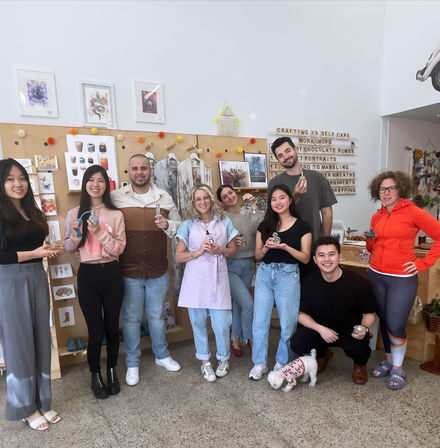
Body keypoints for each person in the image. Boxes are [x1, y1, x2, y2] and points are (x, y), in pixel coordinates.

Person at [0, 158, 62, 431]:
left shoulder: (32, 210)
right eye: (10, 179)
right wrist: (35, 254)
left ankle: (41, 400)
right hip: (10, 281)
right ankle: (24, 407)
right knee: (18, 343)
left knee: (40, 338)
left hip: (37, 276)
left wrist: (47, 249)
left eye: (22, 178)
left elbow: (36, 245)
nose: (18, 184)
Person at [364, 170, 440, 390]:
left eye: (391, 188)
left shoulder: (413, 212)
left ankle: (398, 368)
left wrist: (422, 263)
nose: (386, 193)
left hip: (402, 277)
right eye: (382, 189)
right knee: (385, 320)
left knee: (396, 322)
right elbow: (373, 247)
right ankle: (389, 361)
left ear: (400, 189)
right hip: (376, 273)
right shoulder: (377, 215)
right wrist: (370, 241)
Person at [111, 154, 182, 387]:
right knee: (130, 318)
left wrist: (167, 225)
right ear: (128, 171)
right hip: (128, 270)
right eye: (134, 168)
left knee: (156, 316)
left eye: (143, 168)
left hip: (157, 269)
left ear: (150, 170)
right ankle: (132, 362)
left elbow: (181, 226)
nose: (139, 172)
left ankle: (162, 355)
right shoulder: (116, 197)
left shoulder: (163, 196)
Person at [64, 165, 126, 399]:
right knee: (95, 329)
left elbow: (119, 248)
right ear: (84, 183)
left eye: (101, 180)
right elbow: (68, 248)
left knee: (111, 327)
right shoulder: (73, 213)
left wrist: (100, 232)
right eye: (91, 180)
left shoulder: (116, 214)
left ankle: (111, 371)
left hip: (111, 273)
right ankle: (95, 374)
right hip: (88, 275)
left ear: (106, 185)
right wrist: (77, 236)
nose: (96, 184)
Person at [290, 237, 377, 385]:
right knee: (298, 342)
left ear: (340, 257)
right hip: (321, 328)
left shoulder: (358, 282)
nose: (327, 259)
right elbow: (300, 314)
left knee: (359, 346)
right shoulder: (308, 282)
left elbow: (369, 314)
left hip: (349, 330)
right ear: (315, 259)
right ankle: (323, 355)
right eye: (321, 255)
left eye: (331, 254)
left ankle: (359, 365)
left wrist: (363, 328)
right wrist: (320, 328)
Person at [175, 184, 238, 382]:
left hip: (218, 279)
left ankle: (223, 358)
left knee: (221, 324)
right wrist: (198, 251)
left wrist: (221, 250)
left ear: (211, 200)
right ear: (193, 203)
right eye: (198, 199)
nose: (202, 202)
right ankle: (205, 362)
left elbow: (233, 250)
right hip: (196, 281)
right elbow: (178, 256)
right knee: (198, 323)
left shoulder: (224, 222)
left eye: (205, 198)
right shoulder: (187, 225)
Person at [249, 184, 311, 381]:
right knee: (259, 321)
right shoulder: (264, 225)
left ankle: (282, 362)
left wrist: (285, 247)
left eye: (282, 197)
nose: (278, 202)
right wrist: (267, 249)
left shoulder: (303, 226)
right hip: (265, 274)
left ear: (290, 200)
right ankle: (259, 363)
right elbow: (257, 256)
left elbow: (305, 258)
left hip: (288, 275)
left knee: (287, 322)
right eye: (274, 199)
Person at [216, 185, 264, 357]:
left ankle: (235, 337)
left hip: (249, 264)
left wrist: (253, 206)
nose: (229, 197)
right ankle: (249, 338)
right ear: (222, 202)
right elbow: (215, 239)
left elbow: (260, 227)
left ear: (235, 192)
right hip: (230, 266)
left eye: (230, 192)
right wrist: (227, 243)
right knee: (248, 304)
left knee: (238, 303)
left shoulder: (247, 212)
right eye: (224, 196)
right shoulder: (221, 217)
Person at [268, 137, 337, 242]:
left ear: (296, 149)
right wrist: (295, 196)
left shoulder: (318, 178)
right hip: (286, 245)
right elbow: (274, 217)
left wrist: (325, 242)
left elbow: (327, 212)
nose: (286, 157)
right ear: (278, 160)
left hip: (314, 243)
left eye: (288, 151)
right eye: (280, 156)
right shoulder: (274, 183)